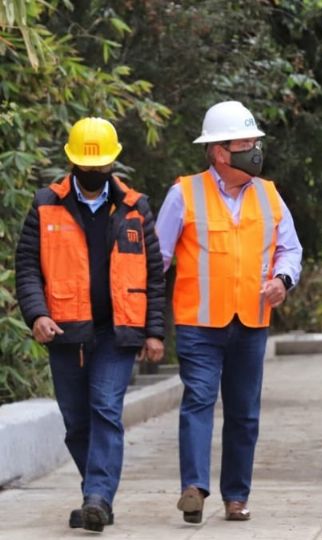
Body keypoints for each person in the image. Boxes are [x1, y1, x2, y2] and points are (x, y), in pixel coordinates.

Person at [15, 117, 165, 532]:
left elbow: (154, 273)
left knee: (105, 410)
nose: (94, 173)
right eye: (87, 166)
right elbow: (27, 267)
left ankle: (98, 496)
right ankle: (95, 494)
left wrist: (153, 331)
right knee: (77, 422)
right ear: (73, 163)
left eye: (100, 168)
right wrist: (37, 313)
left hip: (117, 332)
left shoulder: (136, 206)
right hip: (64, 330)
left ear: (113, 165)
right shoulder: (46, 203)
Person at [155, 100, 303, 523]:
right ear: (220, 151)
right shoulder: (184, 193)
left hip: (251, 322)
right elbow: (158, 258)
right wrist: (143, 317)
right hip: (199, 323)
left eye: (256, 141)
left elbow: (290, 248)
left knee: (244, 411)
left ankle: (236, 496)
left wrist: (283, 279)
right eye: (246, 142)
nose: (255, 149)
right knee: (198, 399)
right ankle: (194, 488)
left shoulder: (269, 194)